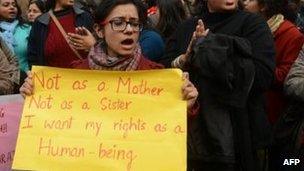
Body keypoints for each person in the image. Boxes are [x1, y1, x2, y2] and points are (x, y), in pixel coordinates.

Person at [20, 0, 198, 113]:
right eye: (118, 23)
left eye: (135, 24)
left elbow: (169, 131)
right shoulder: (76, 74)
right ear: (98, 30)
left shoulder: (155, 76)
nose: (129, 30)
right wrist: (36, 94)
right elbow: (56, 119)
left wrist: (185, 105)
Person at [160, 0, 275, 170]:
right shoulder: (186, 28)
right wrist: (185, 58)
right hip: (193, 140)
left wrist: (212, 51)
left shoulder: (252, 24)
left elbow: (263, 76)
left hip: (242, 137)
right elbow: (164, 74)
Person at [243, 0, 304, 125]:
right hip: (246, 105)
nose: (244, 3)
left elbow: (285, 76)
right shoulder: (245, 27)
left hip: (270, 112)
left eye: (250, 0)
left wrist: (253, 66)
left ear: (264, 6)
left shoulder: (291, 34)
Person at [27, 0, 93, 68]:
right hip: (52, 77)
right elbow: (33, 57)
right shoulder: (40, 23)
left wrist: (93, 45)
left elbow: (101, 50)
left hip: (83, 77)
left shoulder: (85, 17)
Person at [0, 0, 31, 72]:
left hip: (26, 78)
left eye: (14, 5)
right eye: (6, 5)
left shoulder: (27, 29)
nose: (11, 7)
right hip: (3, 80)